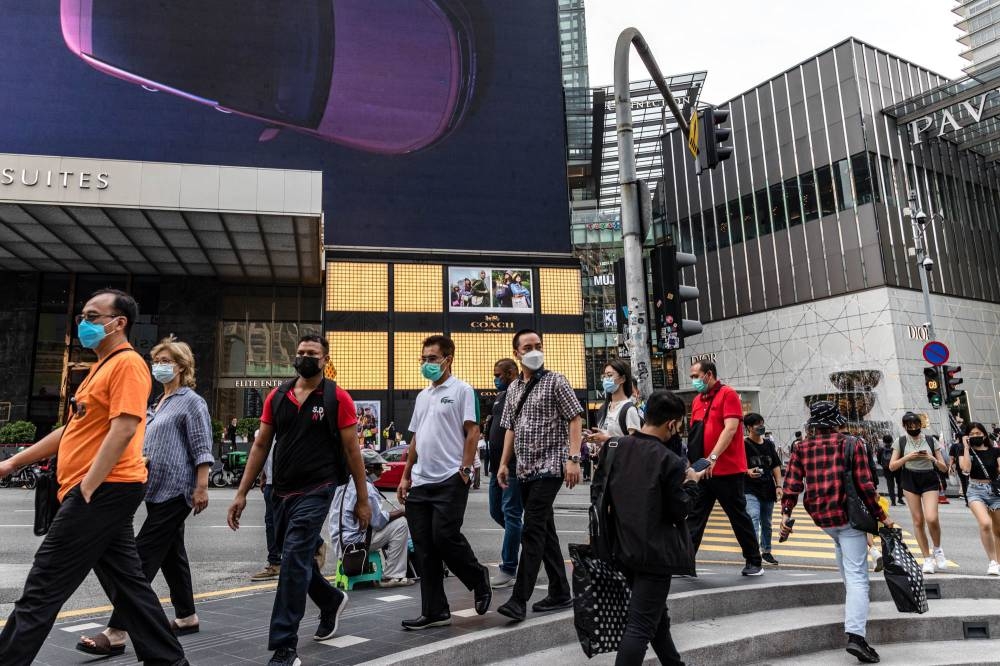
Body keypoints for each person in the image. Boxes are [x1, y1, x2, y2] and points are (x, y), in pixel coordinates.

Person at [0, 288, 188, 665]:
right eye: (82, 316)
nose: (81, 323)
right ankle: (169, 661)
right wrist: (11, 463)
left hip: (103, 489)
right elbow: (70, 431)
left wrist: (87, 486)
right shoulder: (98, 370)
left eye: (91, 316)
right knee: (129, 588)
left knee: (44, 585)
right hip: (103, 491)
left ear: (119, 323)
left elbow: (124, 428)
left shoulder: (128, 365)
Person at [227, 334, 371, 666]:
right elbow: (261, 445)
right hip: (280, 491)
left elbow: (353, 451)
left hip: (318, 488)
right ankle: (330, 599)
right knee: (300, 559)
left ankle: (284, 646)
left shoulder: (338, 399)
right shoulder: (278, 396)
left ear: (325, 359)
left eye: (312, 353)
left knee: (292, 559)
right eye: (301, 352)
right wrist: (241, 493)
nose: (305, 357)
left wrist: (362, 500)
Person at [77, 336, 214, 657]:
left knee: (140, 559)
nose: (159, 367)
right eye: (157, 361)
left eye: (166, 361)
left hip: (177, 490)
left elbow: (202, 445)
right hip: (153, 489)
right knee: (171, 555)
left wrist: (202, 486)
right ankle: (186, 616)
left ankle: (117, 632)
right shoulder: (157, 404)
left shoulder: (191, 401)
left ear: (181, 366)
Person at [780, 401, 893, 664]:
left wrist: (786, 514)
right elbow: (865, 485)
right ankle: (856, 636)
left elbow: (792, 484)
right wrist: (882, 517)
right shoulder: (852, 443)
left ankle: (854, 610)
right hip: (849, 516)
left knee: (844, 556)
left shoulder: (800, 447)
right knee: (857, 578)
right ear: (836, 422)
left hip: (822, 517)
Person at [396, 335, 492, 629]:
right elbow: (416, 437)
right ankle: (435, 611)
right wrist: (405, 474)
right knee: (424, 548)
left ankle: (478, 578)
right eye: (423, 359)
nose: (426, 364)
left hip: (450, 478)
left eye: (432, 359)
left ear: (448, 359)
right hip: (421, 481)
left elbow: (472, 431)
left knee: (445, 537)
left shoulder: (462, 390)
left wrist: (464, 469)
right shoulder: (423, 396)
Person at [606, 390, 704, 665]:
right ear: (672, 423)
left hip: (624, 547)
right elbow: (680, 510)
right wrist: (693, 483)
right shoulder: (669, 461)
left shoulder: (617, 448)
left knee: (656, 618)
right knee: (640, 627)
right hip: (655, 553)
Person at [496, 329, 584, 622]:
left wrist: (573, 458)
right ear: (517, 354)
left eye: (538, 345)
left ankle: (518, 599)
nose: (534, 350)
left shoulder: (556, 380)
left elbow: (575, 417)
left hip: (551, 466)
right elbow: (510, 426)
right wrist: (504, 463)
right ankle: (560, 591)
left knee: (532, 528)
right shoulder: (513, 390)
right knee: (545, 532)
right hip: (525, 469)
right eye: (527, 347)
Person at [685, 360, 763, 576]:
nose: (693, 380)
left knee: (737, 516)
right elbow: (695, 435)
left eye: (695, 376)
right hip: (703, 471)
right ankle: (685, 562)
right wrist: (694, 464)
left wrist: (713, 457)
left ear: (708, 375)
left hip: (727, 470)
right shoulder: (697, 401)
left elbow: (730, 429)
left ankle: (754, 561)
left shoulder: (728, 394)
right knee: (694, 516)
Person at [330, 449, 413, 587]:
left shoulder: (343, 483)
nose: (381, 471)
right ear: (367, 469)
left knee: (392, 523)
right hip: (353, 544)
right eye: (378, 467)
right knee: (401, 524)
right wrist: (402, 512)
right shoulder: (365, 487)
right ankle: (393, 576)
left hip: (339, 542)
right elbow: (378, 522)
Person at [887, 412, 948, 574]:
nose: (913, 428)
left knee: (932, 518)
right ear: (905, 426)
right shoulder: (900, 441)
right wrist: (907, 457)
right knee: (918, 520)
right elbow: (892, 466)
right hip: (909, 479)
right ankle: (927, 558)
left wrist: (931, 458)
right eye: (910, 426)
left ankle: (938, 550)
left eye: (916, 425)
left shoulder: (930, 440)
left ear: (921, 425)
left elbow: (944, 467)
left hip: (929, 478)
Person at [485, 358, 523, 588]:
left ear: (511, 373)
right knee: (496, 511)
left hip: (513, 466)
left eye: (498, 374)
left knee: (510, 513)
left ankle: (508, 567)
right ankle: (530, 539)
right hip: (495, 465)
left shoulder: (518, 393)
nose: (495, 378)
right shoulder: (500, 397)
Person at [957, 422, 1000, 575]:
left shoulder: (995, 451)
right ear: (967, 436)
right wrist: (967, 448)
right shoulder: (964, 451)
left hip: (995, 491)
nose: (976, 436)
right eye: (972, 434)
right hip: (975, 490)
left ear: (985, 434)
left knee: (998, 529)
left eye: (978, 433)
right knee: (985, 523)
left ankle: (999, 562)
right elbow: (966, 469)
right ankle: (993, 562)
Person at [742, 413, 782, 566]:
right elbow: (737, 466)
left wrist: (778, 486)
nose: (761, 427)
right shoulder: (743, 446)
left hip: (768, 489)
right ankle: (753, 554)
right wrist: (747, 471)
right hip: (750, 489)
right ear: (749, 428)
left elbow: (775, 466)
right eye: (757, 425)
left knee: (767, 523)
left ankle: (766, 551)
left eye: (762, 423)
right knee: (754, 518)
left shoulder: (769, 445)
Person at [587, 360, 642, 453]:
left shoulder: (629, 409)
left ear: (622, 379)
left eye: (609, 375)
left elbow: (636, 443)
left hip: (623, 464)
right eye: (604, 376)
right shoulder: (603, 409)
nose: (605, 380)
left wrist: (607, 438)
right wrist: (595, 439)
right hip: (607, 463)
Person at [250, 439, 281, 581]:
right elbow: (265, 449)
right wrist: (264, 474)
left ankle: (317, 544)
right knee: (271, 524)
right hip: (271, 481)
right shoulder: (268, 422)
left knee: (285, 521)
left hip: (285, 481)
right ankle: (274, 563)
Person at [878, 434, 904, 506]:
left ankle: (893, 501)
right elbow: (901, 457)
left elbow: (879, 460)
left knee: (890, 484)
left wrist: (884, 465)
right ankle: (900, 498)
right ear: (892, 440)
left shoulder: (881, 449)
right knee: (900, 483)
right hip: (897, 468)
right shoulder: (896, 448)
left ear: (883, 441)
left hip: (887, 469)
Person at [949, 437, 970, 507]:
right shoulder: (970, 445)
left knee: (964, 483)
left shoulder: (954, 445)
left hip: (959, 466)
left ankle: (967, 501)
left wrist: (950, 466)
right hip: (970, 465)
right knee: (969, 482)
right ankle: (971, 500)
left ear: (957, 437)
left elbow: (952, 458)